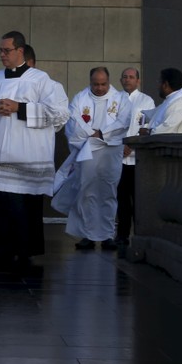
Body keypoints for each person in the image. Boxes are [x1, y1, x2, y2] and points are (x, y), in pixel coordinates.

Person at [0, 31, 69, 272]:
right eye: (1, 51)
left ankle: (24, 251)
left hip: (27, 154)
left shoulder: (41, 80)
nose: (2, 55)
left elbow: (59, 114)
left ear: (20, 51)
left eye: (6, 50)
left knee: (23, 205)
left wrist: (20, 108)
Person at [52, 68, 132, 249]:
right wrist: (90, 134)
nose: (100, 88)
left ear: (109, 81)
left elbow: (123, 122)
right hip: (87, 150)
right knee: (86, 191)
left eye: (103, 84)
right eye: (96, 84)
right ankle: (87, 235)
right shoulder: (80, 98)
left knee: (107, 191)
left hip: (110, 151)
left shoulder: (120, 99)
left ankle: (106, 235)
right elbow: (73, 122)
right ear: (90, 82)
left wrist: (102, 133)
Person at [114, 67, 155, 249]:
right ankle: (122, 234)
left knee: (138, 199)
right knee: (121, 199)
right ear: (120, 80)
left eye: (131, 77)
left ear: (138, 80)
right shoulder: (114, 99)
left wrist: (131, 145)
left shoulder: (146, 100)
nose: (127, 80)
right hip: (118, 157)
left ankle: (139, 234)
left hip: (137, 158)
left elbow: (148, 126)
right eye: (125, 77)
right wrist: (120, 145)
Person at [140, 68, 182, 135]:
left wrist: (148, 132)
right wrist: (140, 116)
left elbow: (167, 128)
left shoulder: (181, 103)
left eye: (159, 82)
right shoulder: (170, 100)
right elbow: (153, 114)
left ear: (165, 85)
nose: (158, 86)